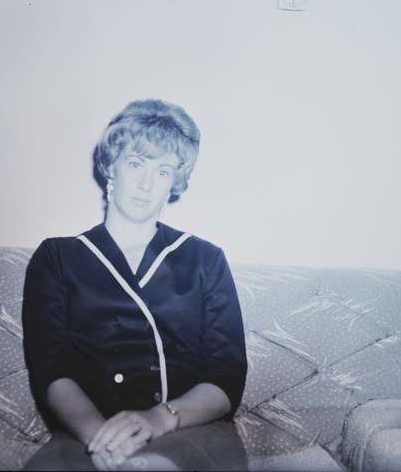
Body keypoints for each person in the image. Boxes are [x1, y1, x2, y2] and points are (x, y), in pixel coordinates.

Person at [22, 99, 247, 471]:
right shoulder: (57, 258)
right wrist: (103, 440)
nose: (146, 184)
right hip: (91, 430)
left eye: (163, 171)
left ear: (175, 182)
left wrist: (159, 419)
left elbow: (226, 376)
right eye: (137, 164)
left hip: (189, 427)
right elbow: (53, 369)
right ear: (112, 165)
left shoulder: (205, 259)